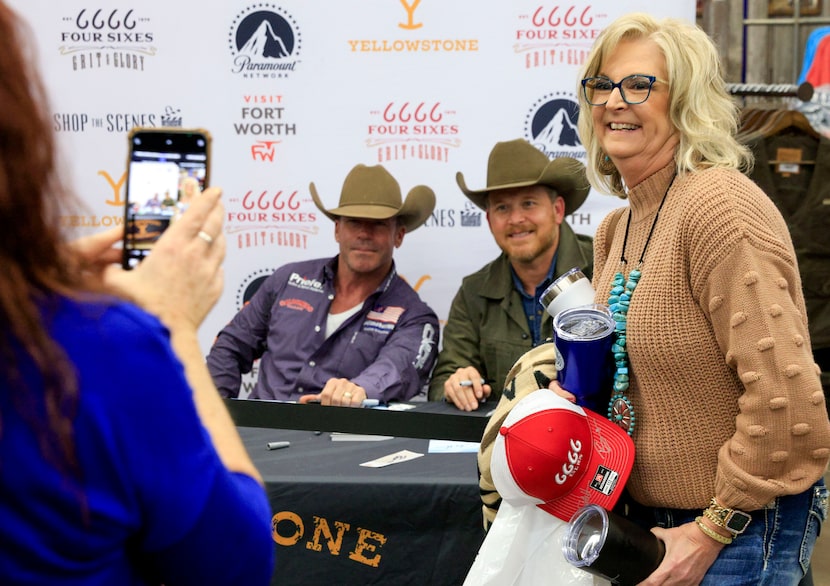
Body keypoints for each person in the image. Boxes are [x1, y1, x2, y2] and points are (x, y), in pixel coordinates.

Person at [548, 12, 827, 585]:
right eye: (602, 84)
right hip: (649, 529)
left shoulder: (719, 206)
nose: (614, 101)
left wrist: (711, 530)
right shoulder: (616, 228)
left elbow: (789, 406)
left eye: (639, 84)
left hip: (740, 531)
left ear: (687, 102)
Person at [0, 3, 274, 584]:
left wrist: (37, 283)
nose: (363, 233)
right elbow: (238, 564)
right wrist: (169, 322)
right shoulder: (103, 350)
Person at [207, 163, 439, 406]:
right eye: (353, 222)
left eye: (378, 224)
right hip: (258, 432)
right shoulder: (289, 278)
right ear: (337, 230)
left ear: (399, 235)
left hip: (338, 436)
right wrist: (218, 411)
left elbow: (398, 369)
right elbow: (230, 345)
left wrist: (359, 390)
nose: (364, 233)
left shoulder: (414, 316)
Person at [428, 138, 593, 411]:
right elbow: (443, 380)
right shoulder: (473, 291)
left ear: (557, 210)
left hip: (598, 438)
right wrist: (457, 384)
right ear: (489, 220)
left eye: (528, 204)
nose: (516, 219)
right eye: (502, 208)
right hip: (506, 445)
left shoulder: (604, 265)